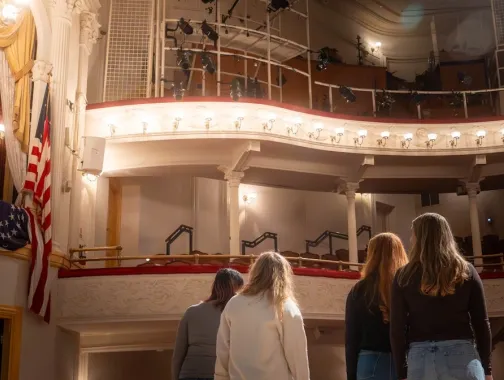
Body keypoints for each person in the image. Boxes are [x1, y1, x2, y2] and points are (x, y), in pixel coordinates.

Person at [390, 213, 493, 380]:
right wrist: (487, 369)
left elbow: (397, 329)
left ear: (419, 238)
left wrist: (402, 373)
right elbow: (481, 323)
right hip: (461, 354)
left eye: (413, 234)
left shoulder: (404, 276)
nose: (411, 239)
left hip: (420, 357)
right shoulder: (465, 270)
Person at [214, 251, 310, 380]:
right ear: (283, 275)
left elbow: (222, 351)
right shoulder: (286, 307)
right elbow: (297, 357)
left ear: (255, 272)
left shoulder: (234, 303)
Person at [345, 233, 409, 380]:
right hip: (405, 360)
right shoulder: (407, 286)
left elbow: (351, 339)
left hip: (370, 361)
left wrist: (351, 376)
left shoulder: (359, 290)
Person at [172, 268, 244, 380]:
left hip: (189, 373)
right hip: (217, 375)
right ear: (236, 288)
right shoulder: (236, 314)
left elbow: (178, 354)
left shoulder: (192, 311)